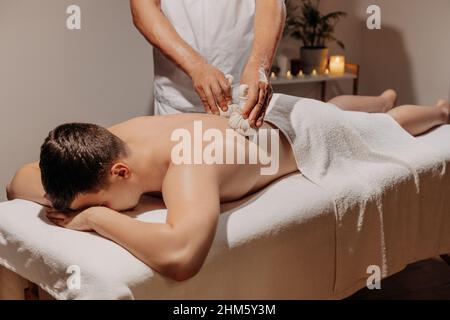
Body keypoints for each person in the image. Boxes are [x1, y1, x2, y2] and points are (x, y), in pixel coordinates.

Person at [6, 91, 449, 281]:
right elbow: (18, 181)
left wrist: (96, 217)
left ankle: (437, 111)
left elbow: (182, 255)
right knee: (332, 106)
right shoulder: (108, 143)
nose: (110, 208)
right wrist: (65, 201)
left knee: (376, 126)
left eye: (102, 199)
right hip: (258, 115)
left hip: (304, 131)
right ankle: (380, 97)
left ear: (119, 173)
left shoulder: (189, 159)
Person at [130, 0, 286, 128]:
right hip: (177, 101)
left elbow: (271, 3)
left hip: (244, 98)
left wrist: (259, 65)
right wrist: (196, 66)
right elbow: (143, 8)